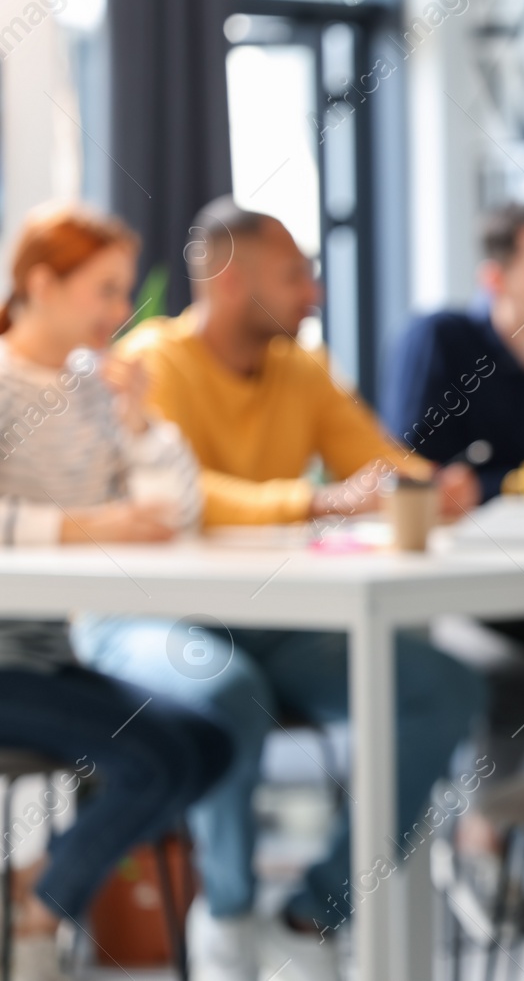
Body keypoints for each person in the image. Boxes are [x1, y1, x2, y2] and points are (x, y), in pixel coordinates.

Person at [71, 197, 486, 981]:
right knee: (227, 689)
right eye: (296, 275)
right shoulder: (152, 362)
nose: (314, 293)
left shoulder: (303, 370)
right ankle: (225, 913)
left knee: (442, 689)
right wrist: (320, 500)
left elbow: (376, 461)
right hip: (141, 614)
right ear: (230, 281)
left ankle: (311, 913)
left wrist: (435, 487)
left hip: (272, 613)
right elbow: (188, 499)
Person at [0, 205, 231, 981]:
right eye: (103, 290)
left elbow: (181, 511)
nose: (117, 312)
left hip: (48, 658)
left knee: (210, 744)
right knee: (151, 761)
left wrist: (142, 423)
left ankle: (41, 882)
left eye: (123, 291)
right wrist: (87, 524)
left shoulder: (94, 390)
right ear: (40, 283)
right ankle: (42, 902)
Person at [380, 204, 524, 506]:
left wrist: (488, 486)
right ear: (496, 280)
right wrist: (515, 485)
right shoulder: (438, 339)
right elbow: (414, 477)